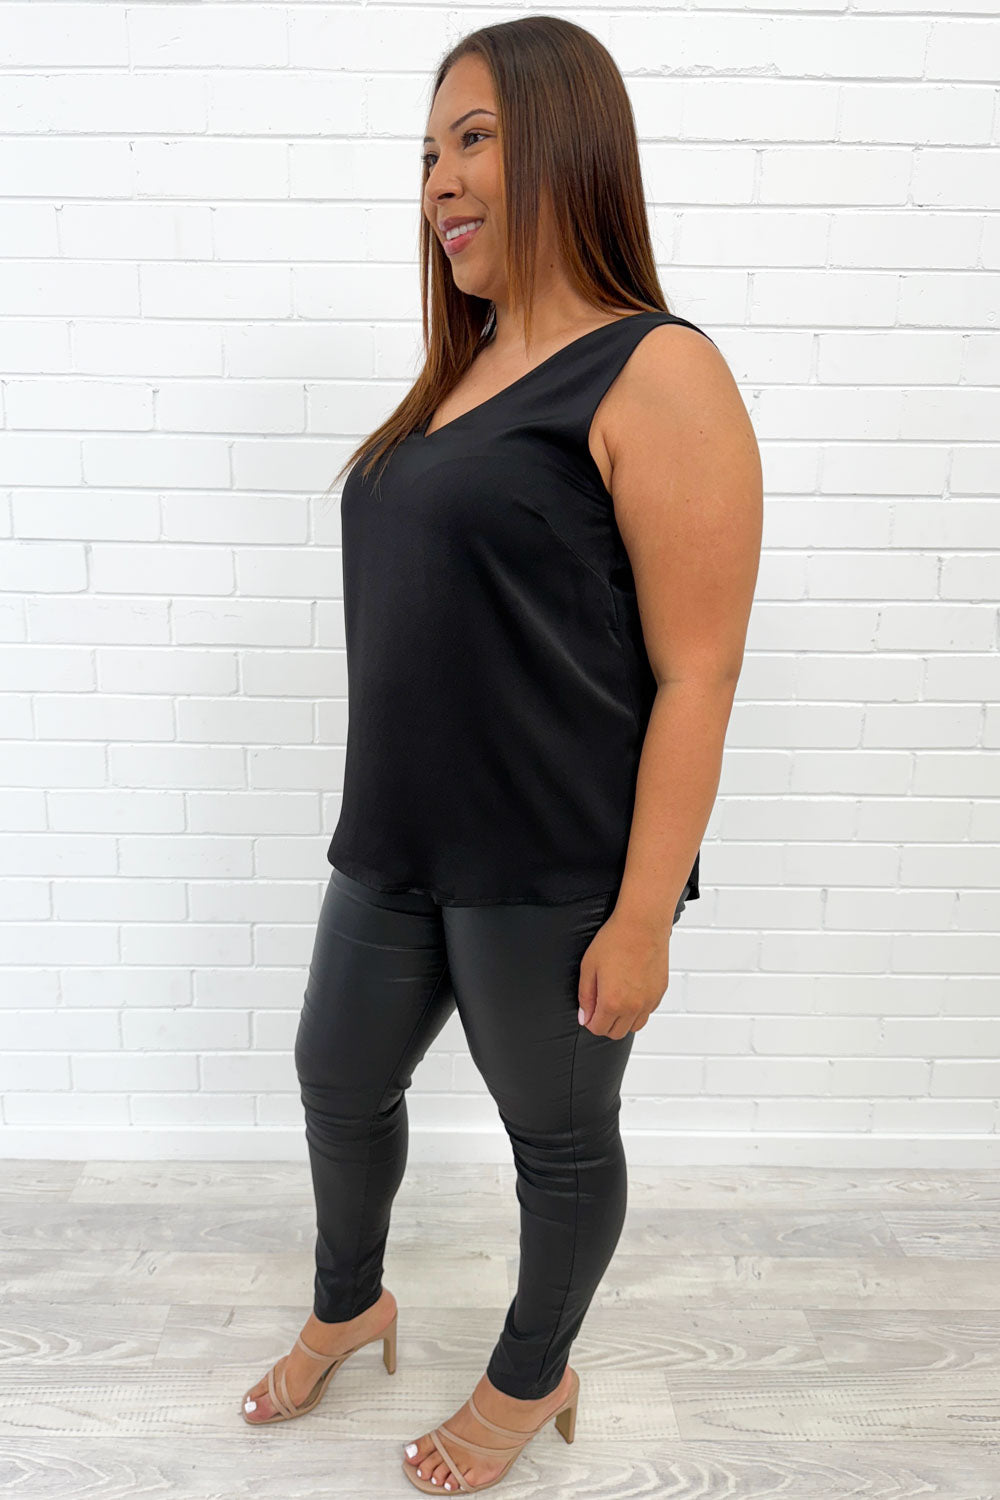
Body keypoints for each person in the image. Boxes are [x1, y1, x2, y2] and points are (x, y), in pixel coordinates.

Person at [240, 15, 761, 1496]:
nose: (441, 182)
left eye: (474, 139)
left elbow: (700, 671)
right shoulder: (457, 374)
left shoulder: (656, 371)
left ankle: (534, 1374)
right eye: (428, 153)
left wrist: (645, 916)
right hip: (393, 841)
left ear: (568, 143)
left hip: (548, 868)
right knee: (336, 1078)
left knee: (558, 1140)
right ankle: (352, 1304)